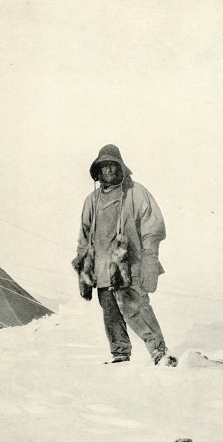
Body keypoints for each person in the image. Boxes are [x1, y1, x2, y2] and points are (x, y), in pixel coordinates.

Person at [73, 144, 176, 366]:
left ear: (121, 167)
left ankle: (159, 352)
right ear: (98, 172)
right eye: (104, 167)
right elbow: (84, 235)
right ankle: (120, 353)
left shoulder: (136, 192)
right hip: (101, 268)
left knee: (137, 308)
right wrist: (84, 267)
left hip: (130, 264)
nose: (108, 171)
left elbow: (152, 226)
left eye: (112, 165)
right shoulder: (91, 200)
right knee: (110, 312)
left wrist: (150, 257)